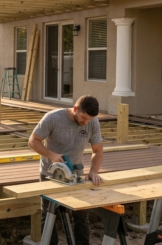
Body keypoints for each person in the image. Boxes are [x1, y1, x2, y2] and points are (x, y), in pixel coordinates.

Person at [27, 95, 104, 245]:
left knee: (81, 214)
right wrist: (51, 154)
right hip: (50, 174)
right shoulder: (53, 118)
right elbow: (32, 141)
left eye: (88, 119)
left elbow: (98, 150)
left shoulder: (92, 121)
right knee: (49, 215)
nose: (85, 122)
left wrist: (94, 171)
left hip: (76, 175)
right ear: (75, 109)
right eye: (83, 118)